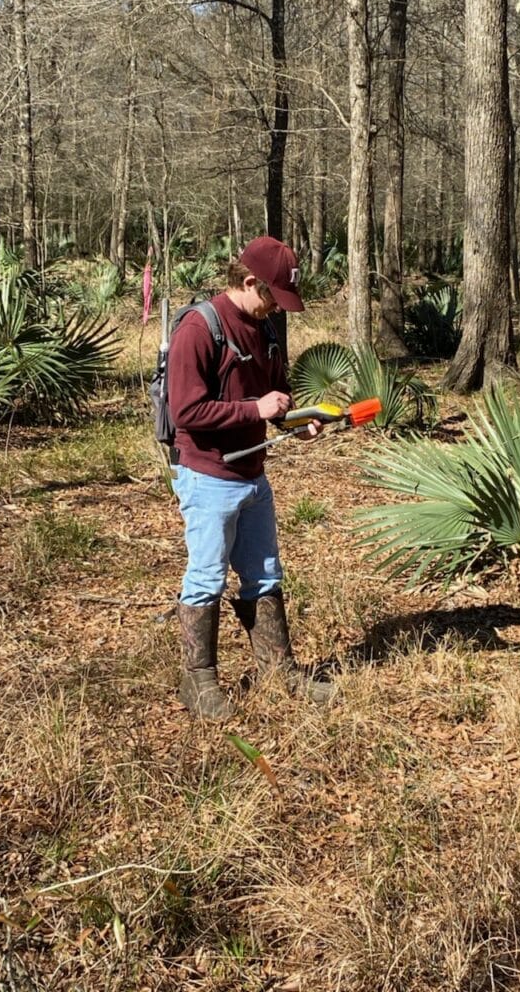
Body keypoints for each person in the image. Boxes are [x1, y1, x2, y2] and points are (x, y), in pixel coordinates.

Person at [168, 236, 334, 720]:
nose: (275, 309)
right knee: (206, 578)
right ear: (248, 283)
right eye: (272, 298)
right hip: (208, 475)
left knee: (264, 574)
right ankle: (197, 681)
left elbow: (275, 397)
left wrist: (295, 420)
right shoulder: (201, 328)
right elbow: (186, 409)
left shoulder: (265, 331)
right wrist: (253, 410)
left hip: (254, 475)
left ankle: (277, 668)